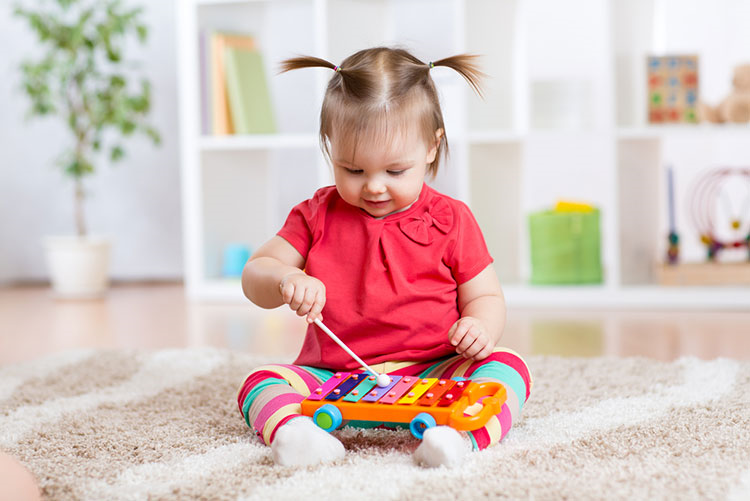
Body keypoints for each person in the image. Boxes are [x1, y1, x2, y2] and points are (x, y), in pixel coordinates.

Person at [238, 47, 532, 468]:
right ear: (330, 147)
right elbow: (255, 273)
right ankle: (297, 436)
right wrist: (284, 278)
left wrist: (479, 327)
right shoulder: (316, 214)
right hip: (334, 377)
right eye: (353, 170)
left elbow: (485, 296)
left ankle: (457, 440)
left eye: (395, 171)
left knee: (509, 367)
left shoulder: (452, 219)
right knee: (260, 382)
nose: (374, 186)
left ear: (432, 148)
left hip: (434, 373)